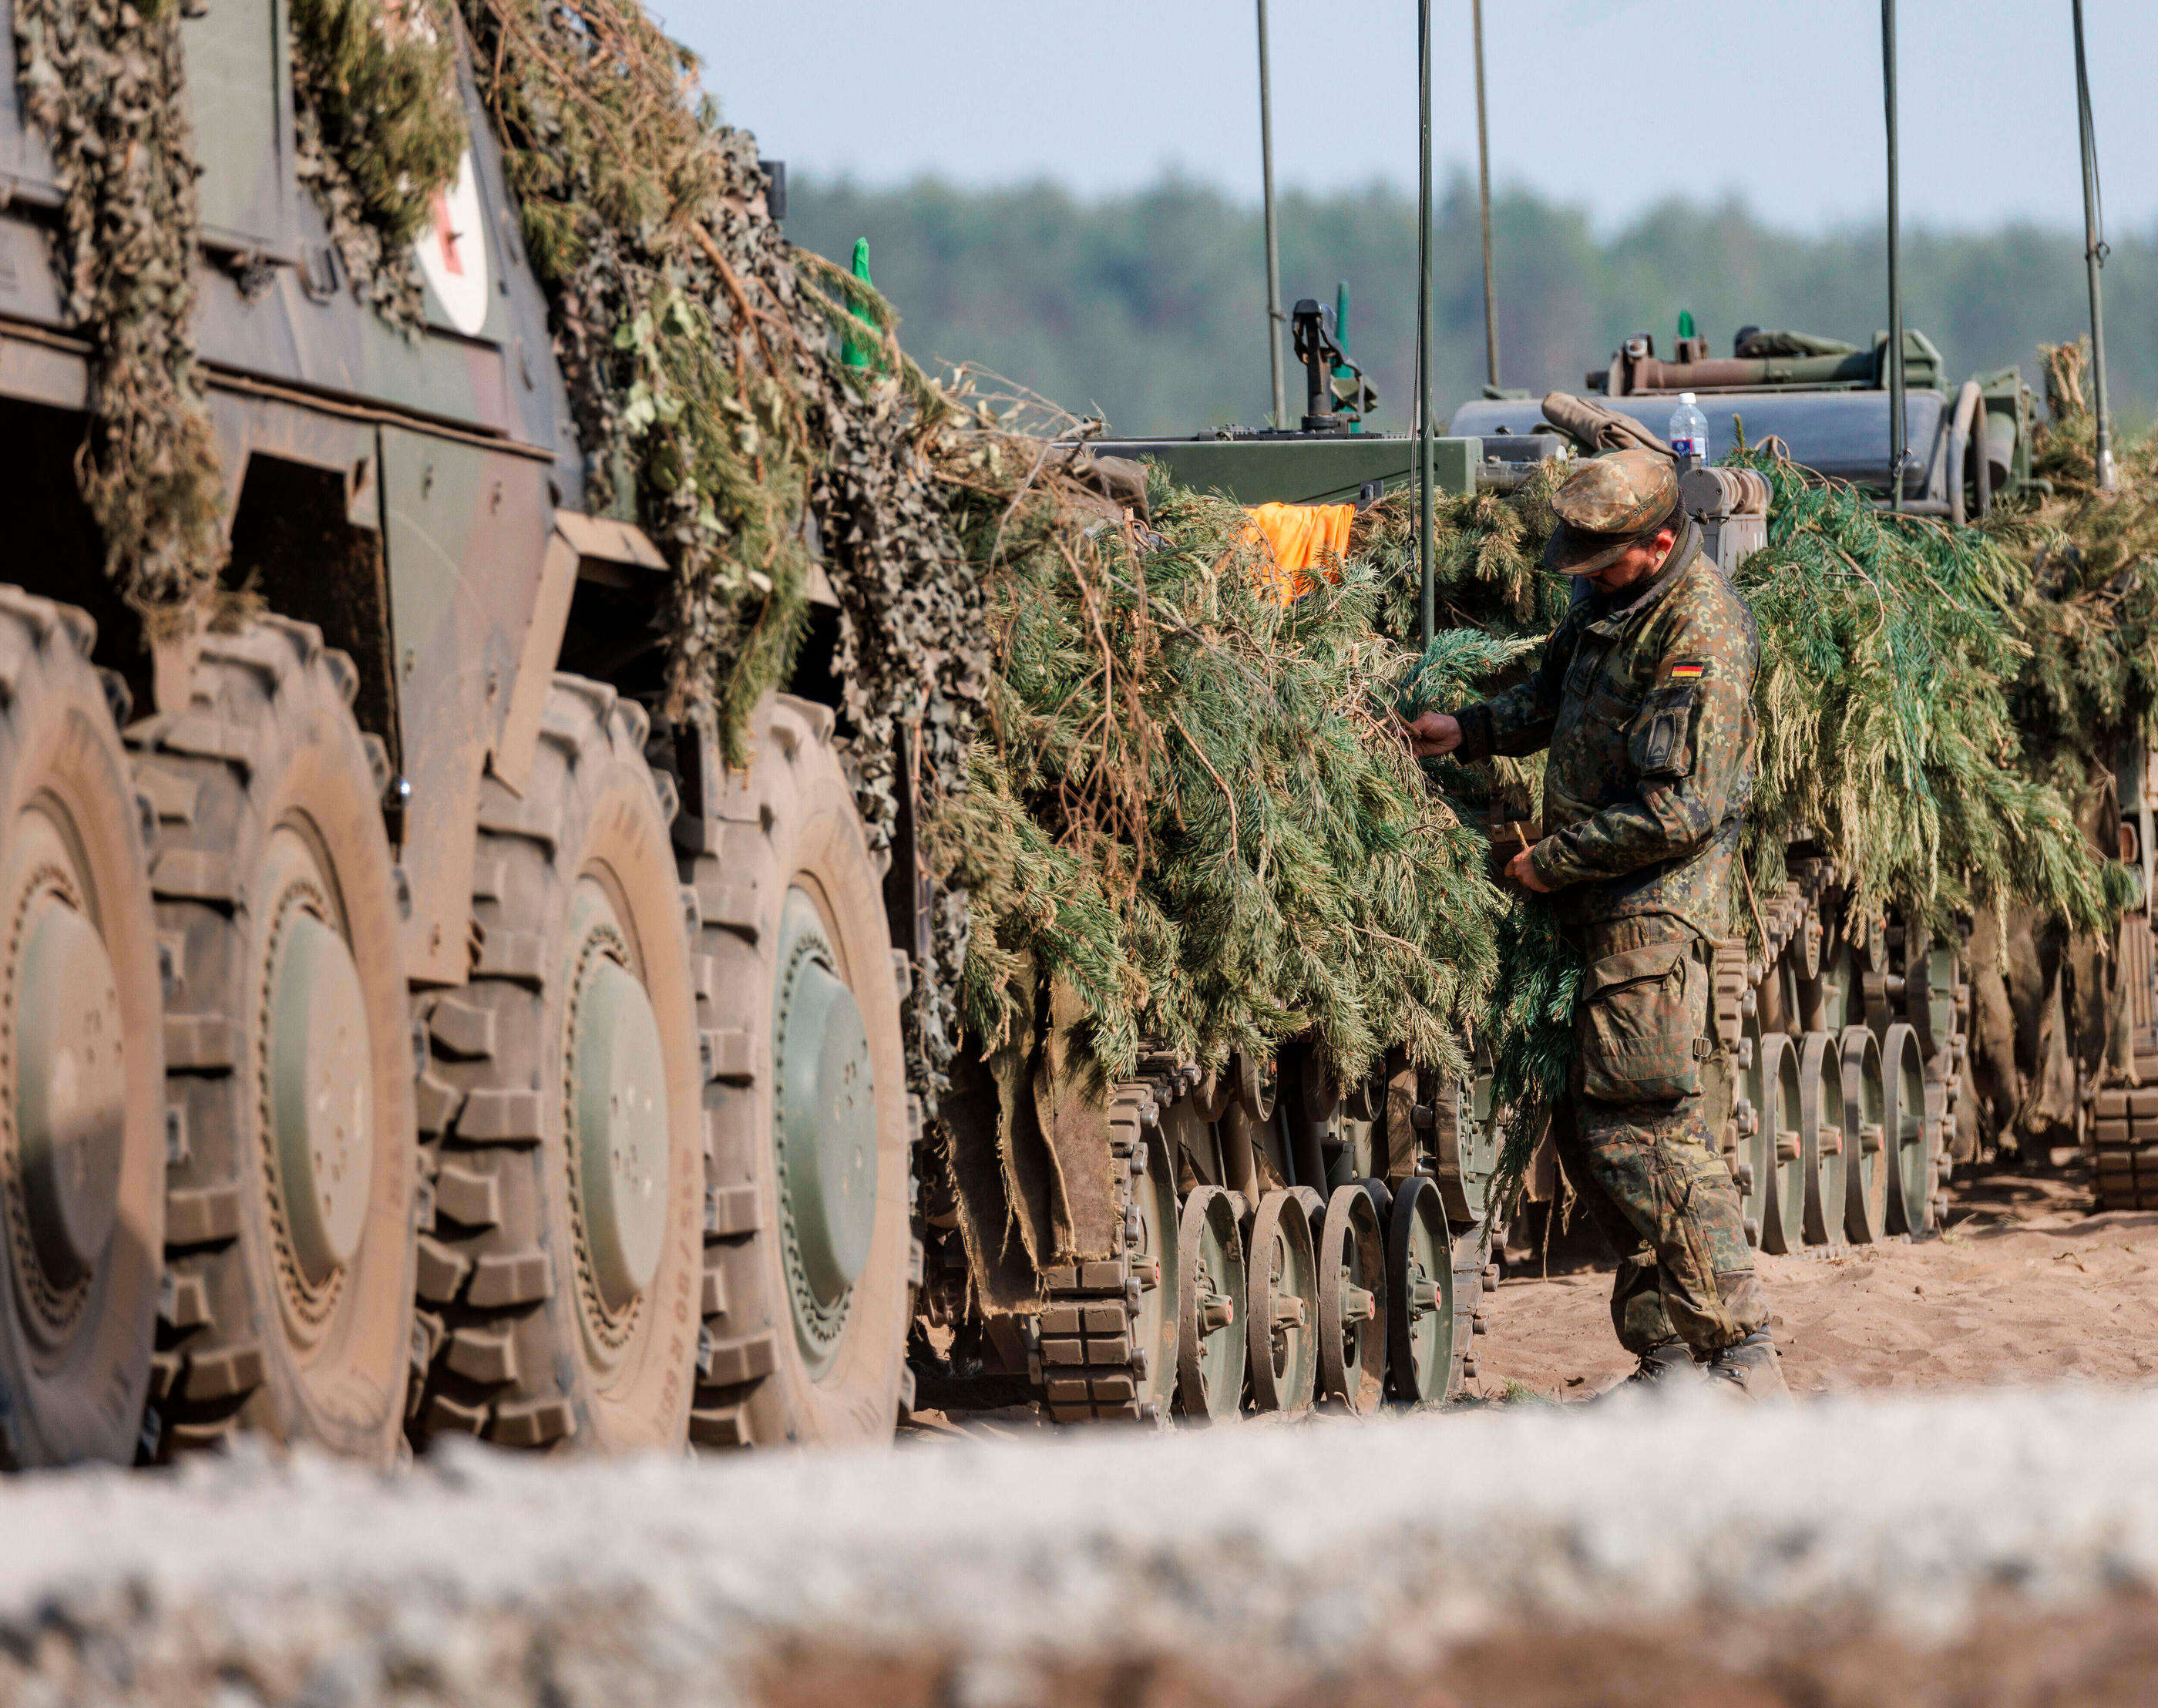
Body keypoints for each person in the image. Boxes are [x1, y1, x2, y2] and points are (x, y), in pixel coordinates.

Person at [1403, 449, 1786, 1397]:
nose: (1583, 575)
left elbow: (1681, 810)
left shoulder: (1701, 634)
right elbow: (1556, 695)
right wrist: (1475, 726)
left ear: (1660, 542)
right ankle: (1666, 1359)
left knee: (1649, 1136)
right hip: (1600, 907)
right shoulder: (1612, 603)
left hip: (1653, 912)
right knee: (1598, 1138)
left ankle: (1739, 1356)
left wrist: (1550, 861)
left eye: (1600, 559)